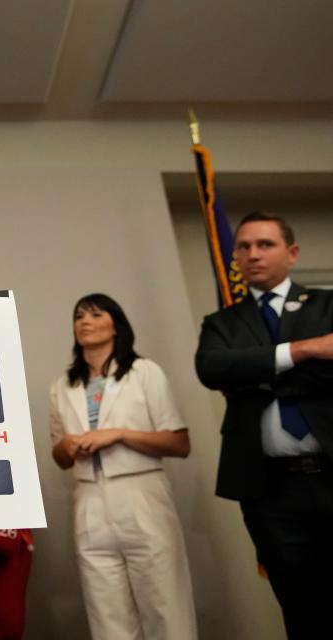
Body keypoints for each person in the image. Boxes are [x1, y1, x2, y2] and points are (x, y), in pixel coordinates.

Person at [196, 212, 333, 640]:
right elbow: (213, 369)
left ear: (291, 253)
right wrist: (306, 350)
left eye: (265, 244)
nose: (253, 254)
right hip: (269, 491)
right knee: (300, 606)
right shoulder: (222, 323)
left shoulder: (328, 305)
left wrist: (255, 373)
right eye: (244, 246)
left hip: (331, 472)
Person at [49, 293, 196, 640]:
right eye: (79, 316)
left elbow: (179, 443)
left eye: (96, 314)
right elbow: (59, 457)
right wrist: (68, 446)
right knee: (105, 611)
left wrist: (118, 435)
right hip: (88, 499)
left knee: (164, 602)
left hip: (141, 492)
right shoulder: (62, 385)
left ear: (116, 325)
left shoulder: (144, 372)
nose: (85, 321)